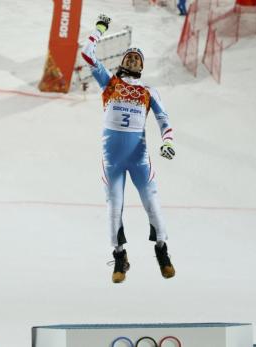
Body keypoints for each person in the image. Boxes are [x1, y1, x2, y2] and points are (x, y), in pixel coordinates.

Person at [81, 14, 176, 283]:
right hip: (112, 160)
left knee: (153, 205)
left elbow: (164, 120)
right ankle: (120, 256)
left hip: (138, 158)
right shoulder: (109, 82)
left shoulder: (148, 91)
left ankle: (162, 250)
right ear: (122, 62)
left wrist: (167, 141)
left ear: (142, 66)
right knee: (114, 208)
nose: (133, 59)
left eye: (137, 58)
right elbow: (87, 54)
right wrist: (100, 29)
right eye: (129, 56)